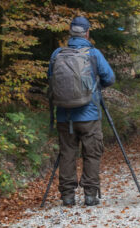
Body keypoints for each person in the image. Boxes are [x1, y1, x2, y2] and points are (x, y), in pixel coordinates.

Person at [49, 16, 116, 207]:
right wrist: (94, 85)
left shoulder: (57, 54)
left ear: (70, 33)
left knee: (67, 153)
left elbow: (51, 79)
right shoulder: (93, 54)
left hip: (64, 114)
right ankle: (90, 195)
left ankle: (68, 196)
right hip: (89, 113)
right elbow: (110, 78)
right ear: (87, 33)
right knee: (92, 153)